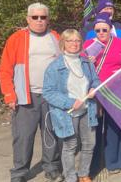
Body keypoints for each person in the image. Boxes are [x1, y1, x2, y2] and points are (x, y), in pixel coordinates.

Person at [0, 3, 63, 182]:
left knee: (50, 134)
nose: (39, 20)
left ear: (48, 18)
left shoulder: (56, 37)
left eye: (43, 17)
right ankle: (19, 172)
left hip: (51, 97)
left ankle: (51, 167)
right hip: (24, 97)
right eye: (35, 17)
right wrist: (9, 94)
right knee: (23, 137)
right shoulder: (17, 38)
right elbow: (5, 69)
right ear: (28, 19)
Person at [42, 29, 101, 182]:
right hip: (67, 113)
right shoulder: (54, 66)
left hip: (87, 109)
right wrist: (69, 102)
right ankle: (70, 178)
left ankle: (83, 174)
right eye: (70, 41)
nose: (74, 44)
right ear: (63, 44)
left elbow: (95, 80)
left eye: (77, 40)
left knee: (89, 144)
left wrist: (94, 87)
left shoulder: (87, 63)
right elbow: (48, 92)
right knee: (70, 147)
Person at [83, 12, 121, 175]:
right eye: (98, 30)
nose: (101, 33)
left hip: (115, 92)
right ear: (94, 31)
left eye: (105, 29)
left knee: (113, 127)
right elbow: (80, 69)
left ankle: (114, 161)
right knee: (94, 129)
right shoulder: (89, 44)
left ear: (111, 29)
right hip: (95, 92)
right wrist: (87, 62)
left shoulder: (120, 44)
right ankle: (93, 164)